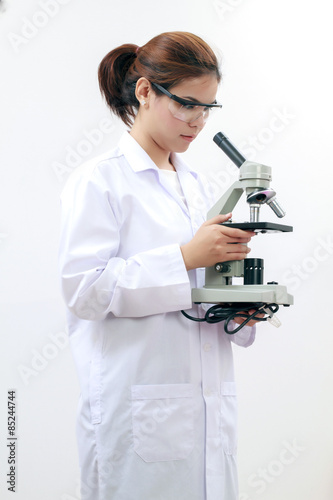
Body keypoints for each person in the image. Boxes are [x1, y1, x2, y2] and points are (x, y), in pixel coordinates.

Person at [59, 31, 259, 500]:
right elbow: (85, 291)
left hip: (205, 412)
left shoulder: (191, 183)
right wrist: (187, 257)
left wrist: (235, 312)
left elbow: (188, 295)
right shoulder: (101, 180)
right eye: (187, 104)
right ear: (146, 91)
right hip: (139, 413)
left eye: (208, 108)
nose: (198, 121)